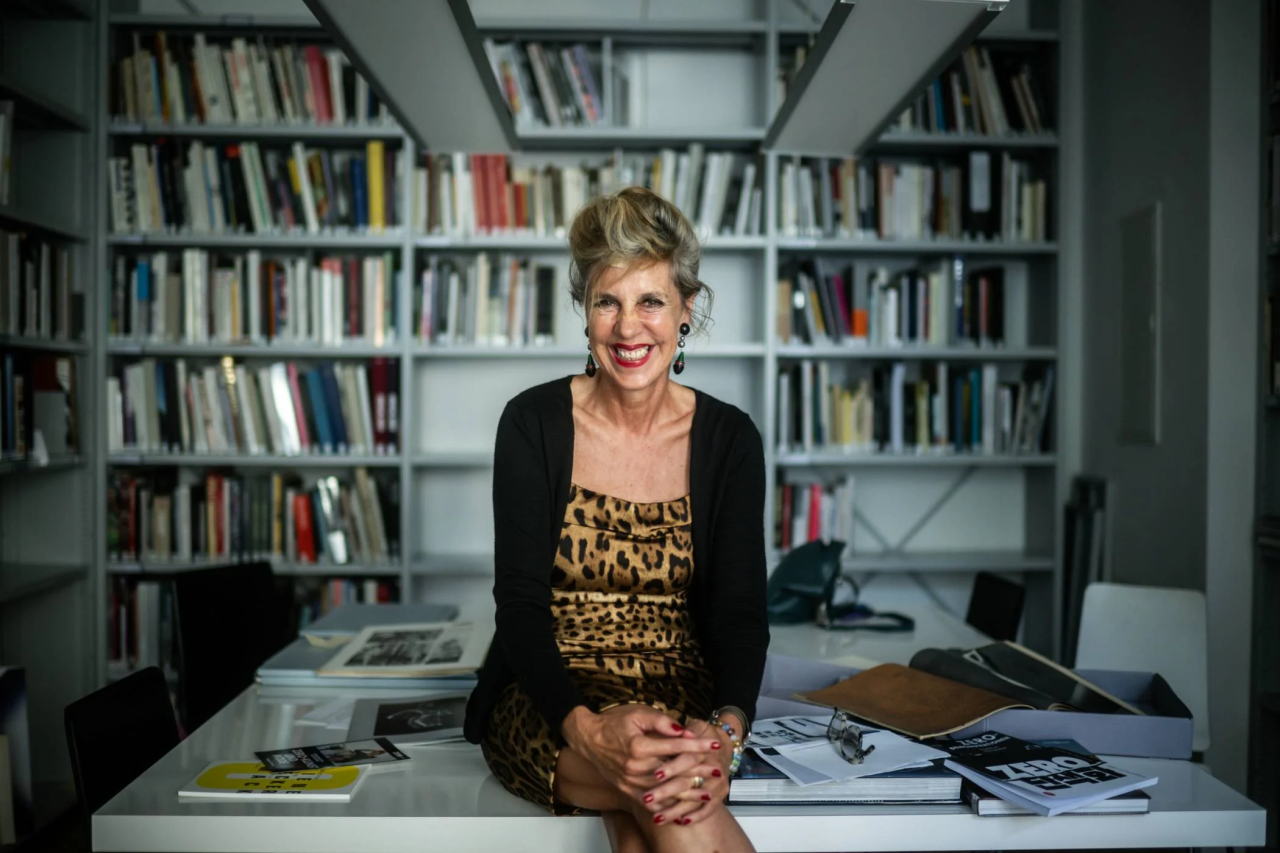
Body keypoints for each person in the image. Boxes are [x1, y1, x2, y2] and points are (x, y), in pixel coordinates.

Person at [463, 186, 770, 853]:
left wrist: (726, 734)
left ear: (688, 308)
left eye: (651, 300)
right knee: (670, 794)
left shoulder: (731, 440)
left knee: (644, 823)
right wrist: (586, 728)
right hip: (549, 700)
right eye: (608, 301)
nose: (629, 328)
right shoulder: (532, 423)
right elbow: (519, 606)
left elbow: (741, 613)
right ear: (585, 310)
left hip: (680, 698)